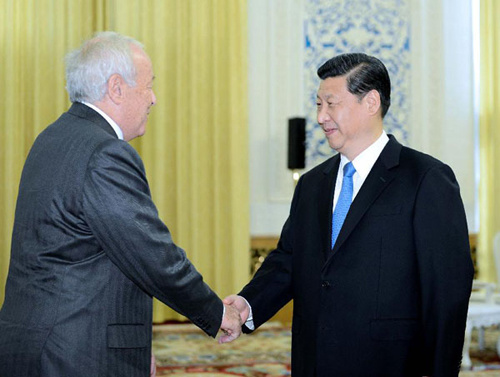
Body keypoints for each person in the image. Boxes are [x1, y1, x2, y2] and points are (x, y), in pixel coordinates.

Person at [0, 31, 241, 377]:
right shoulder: (105, 153)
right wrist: (216, 312)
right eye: (148, 86)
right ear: (116, 88)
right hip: (74, 353)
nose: (153, 99)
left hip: (35, 342)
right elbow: (152, 255)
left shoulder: (52, 138)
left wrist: (133, 348)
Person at [224, 53, 474, 377]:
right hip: (314, 361)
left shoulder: (425, 179)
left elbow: (446, 290)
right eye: (318, 104)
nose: (320, 117)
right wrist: (249, 305)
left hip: (390, 364)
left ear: (371, 102)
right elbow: (288, 260)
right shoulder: (312, 185)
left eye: (331, 103)